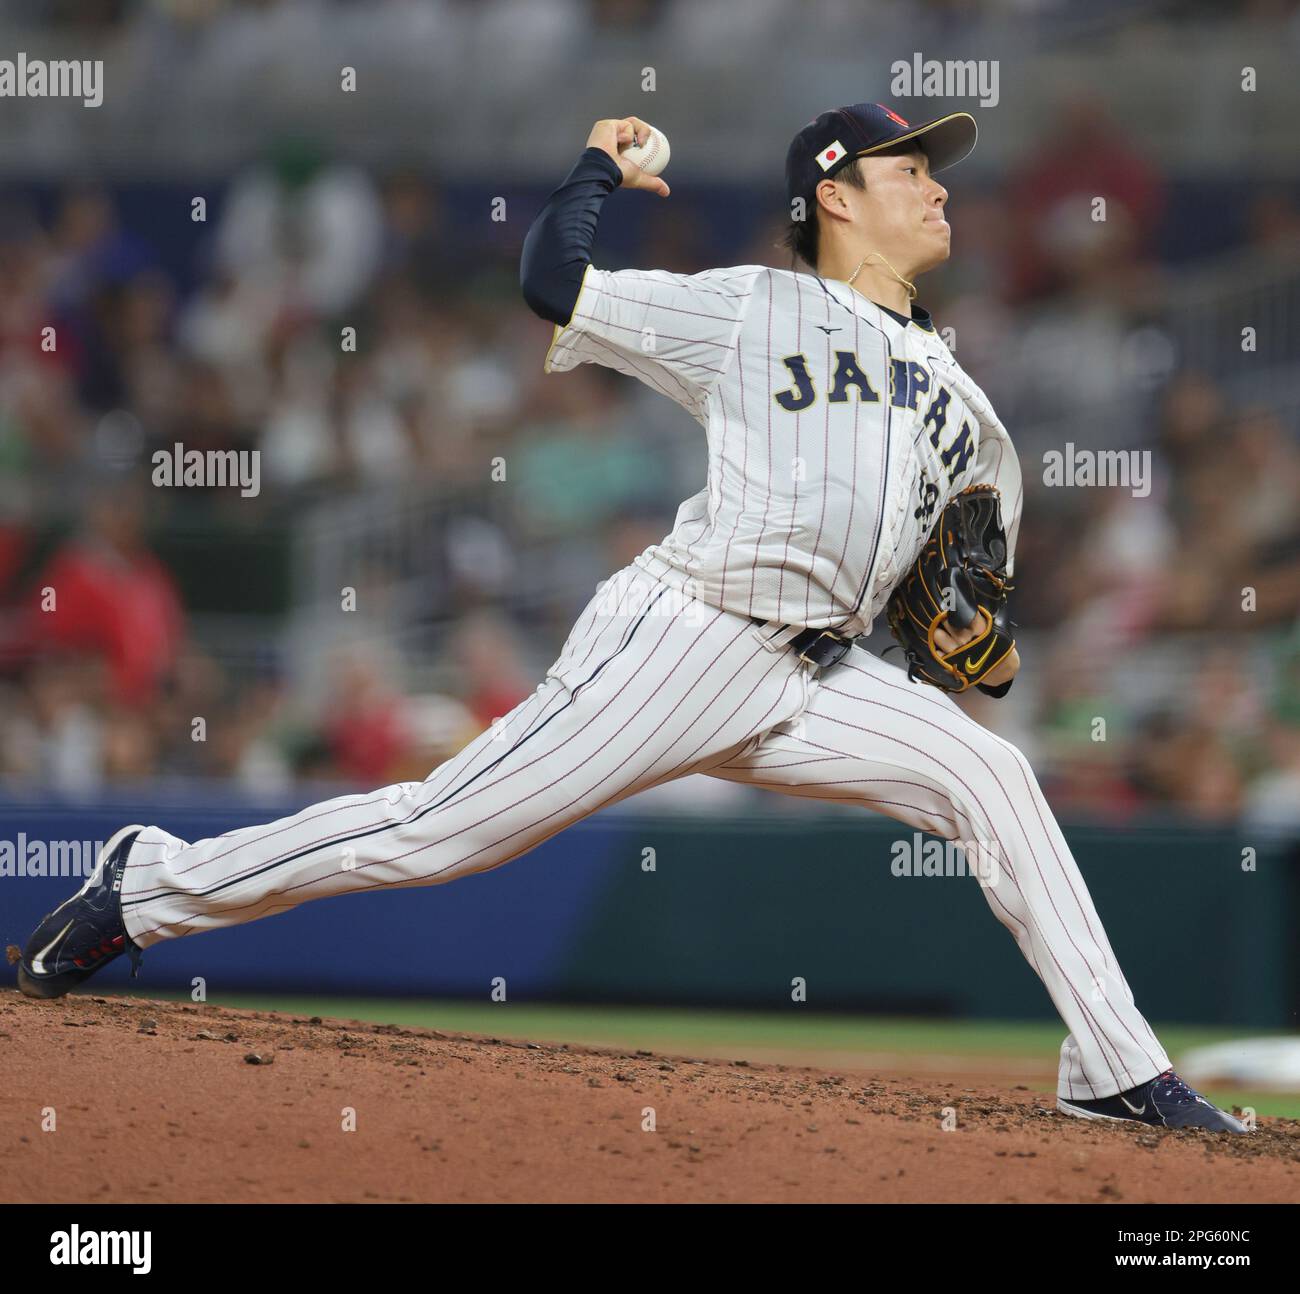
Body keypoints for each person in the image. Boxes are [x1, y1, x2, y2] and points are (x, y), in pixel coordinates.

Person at [16, 104, 1245, 1134]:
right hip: (689, 633)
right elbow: (553, 281)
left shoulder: (966, 399)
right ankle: (147, 884)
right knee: (438, 833)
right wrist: (598, 167)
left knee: (992, 776)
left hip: (819, 676)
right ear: (831, 193)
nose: (936, 190)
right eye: (908, 168)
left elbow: (962, 590)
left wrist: (963, 627)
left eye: (934, 172)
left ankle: (1115, 1069)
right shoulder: (755, 307)